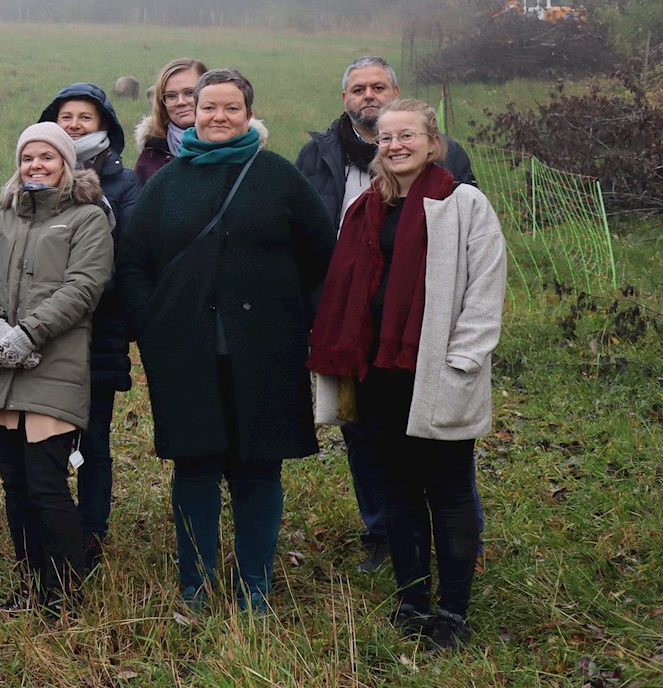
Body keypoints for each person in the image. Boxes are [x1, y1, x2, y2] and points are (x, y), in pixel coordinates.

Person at [116, 69, 335, 613]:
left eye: (230, 108)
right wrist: (152, 324)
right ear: (190, 110)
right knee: (196, 466)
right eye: (208, 106)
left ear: (248, 113)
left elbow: (320, 259)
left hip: (267, 353)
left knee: (258, 468)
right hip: (185, 354)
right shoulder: (167, 182)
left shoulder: (278, 177)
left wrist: (297, 324)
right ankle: (196, 585)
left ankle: (254, 587)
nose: (218, 117)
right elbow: (134, 262)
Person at [309, 99, 504, 652]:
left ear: (432, 142)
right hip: (378, 375)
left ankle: (453, 610)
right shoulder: (365, 208)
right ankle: (412, 601)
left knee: (447, 488)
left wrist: (463, 360)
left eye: (406, 136)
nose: (395, 145)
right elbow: (344, 293)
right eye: (386, 138)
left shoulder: (463, 204)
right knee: (397, 488)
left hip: (437, 371)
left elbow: (485, 293)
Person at [294, 56, 478, 573]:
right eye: (357, 88)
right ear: (345, 99)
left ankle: (461, 542)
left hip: (425, 325)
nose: (368, 95)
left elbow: (466, 247)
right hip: (350, 323)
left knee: (441, 440)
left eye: (379, 86)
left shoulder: (450, 162)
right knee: (364, 435)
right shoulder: (316, 155)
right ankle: (383, 534)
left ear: (396, 93)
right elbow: (305, 237)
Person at [0, 123, 114, 613]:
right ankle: (29, 586)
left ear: (66, 164)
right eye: (28, 157)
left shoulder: (88, 218)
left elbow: (85, 287)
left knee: (47, 484)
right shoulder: (1, 219)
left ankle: (64, 594)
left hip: (55, 368)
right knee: (15, 485)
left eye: (47, 157)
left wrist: (29, 332)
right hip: (0, 371)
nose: (36, 166)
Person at [37, 83, 140, 567]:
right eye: (66, 116)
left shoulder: (124, 183)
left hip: (99, 330)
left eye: (86, 118)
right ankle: (55, 527)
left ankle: (92, 533)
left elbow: (128, 257)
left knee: (95, 439)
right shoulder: (34, 173)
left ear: (104, 126)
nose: (75, 125)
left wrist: (80, 291)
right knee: (48, 437)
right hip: (45, 333)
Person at [132, 58, 208, 182]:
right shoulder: (151, 155)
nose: (180, 102)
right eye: (171, 96)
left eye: (189, 93)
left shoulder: (240, 148)